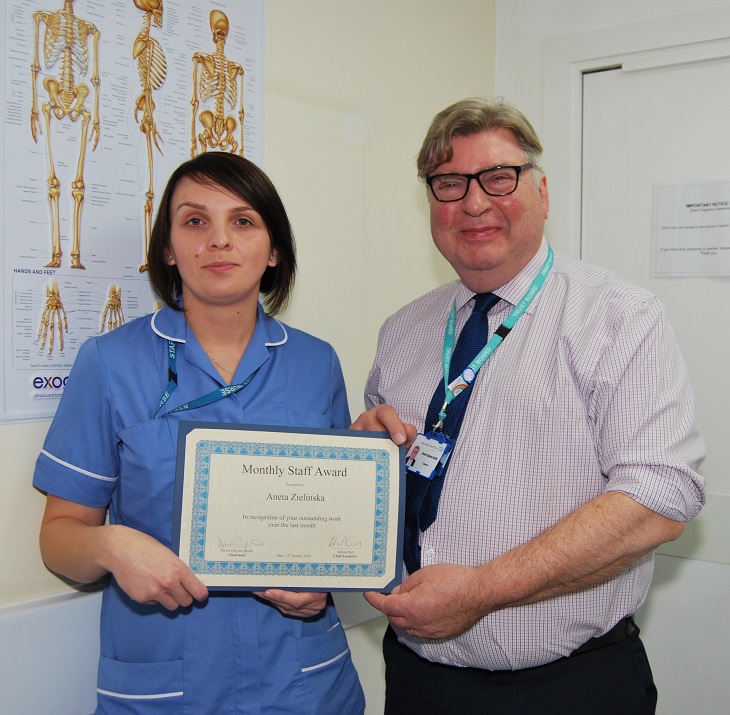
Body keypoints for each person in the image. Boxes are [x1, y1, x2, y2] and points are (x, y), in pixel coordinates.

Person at [352, 97, 705, 714]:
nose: (474, 202)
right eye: (449, 183)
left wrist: (481, 591)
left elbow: (661, 498)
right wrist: (365, 458)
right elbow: (389, 496)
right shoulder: (403, 331)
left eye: (498, 176)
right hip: (419, 679)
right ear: (430, 202)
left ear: (542, 190)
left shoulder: (617, 317)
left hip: (568, 688)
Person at [33, 152, 365, 714]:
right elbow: (59, 539)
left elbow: (331, 528)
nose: (218, 241)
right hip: (167, 684)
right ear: (168, 247)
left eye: (243, 221)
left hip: (303, 684)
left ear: (274, 248)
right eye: (194, 221)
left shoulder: (317, 363)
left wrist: (325, 585)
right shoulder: (109, 364)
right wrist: (110, 546)